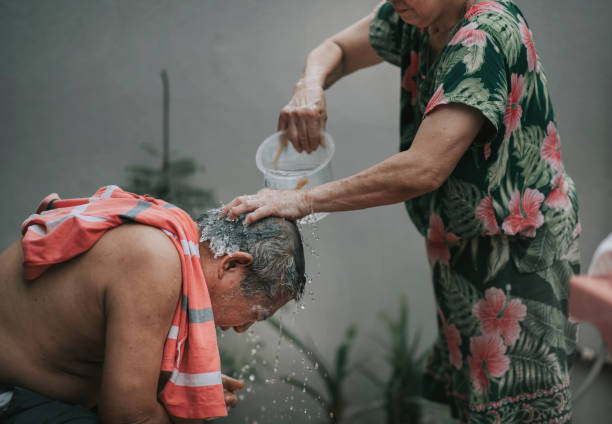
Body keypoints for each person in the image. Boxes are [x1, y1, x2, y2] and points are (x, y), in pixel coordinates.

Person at [223, 0, 581, 422]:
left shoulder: (482, 39)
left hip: (517, 252)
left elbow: (423, 168)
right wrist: (310, 85)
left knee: (518, 410)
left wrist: (301, 199)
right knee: (478, 404)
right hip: (459, 246)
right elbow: (336, 48)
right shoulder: (416, 13)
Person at [0, 185, 306, 423]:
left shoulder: (170, 240)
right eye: (255, 314)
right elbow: (128, 417)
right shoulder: (155, 261)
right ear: (232, 265)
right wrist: (188, 411)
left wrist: (181, 389)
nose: (242, 328)